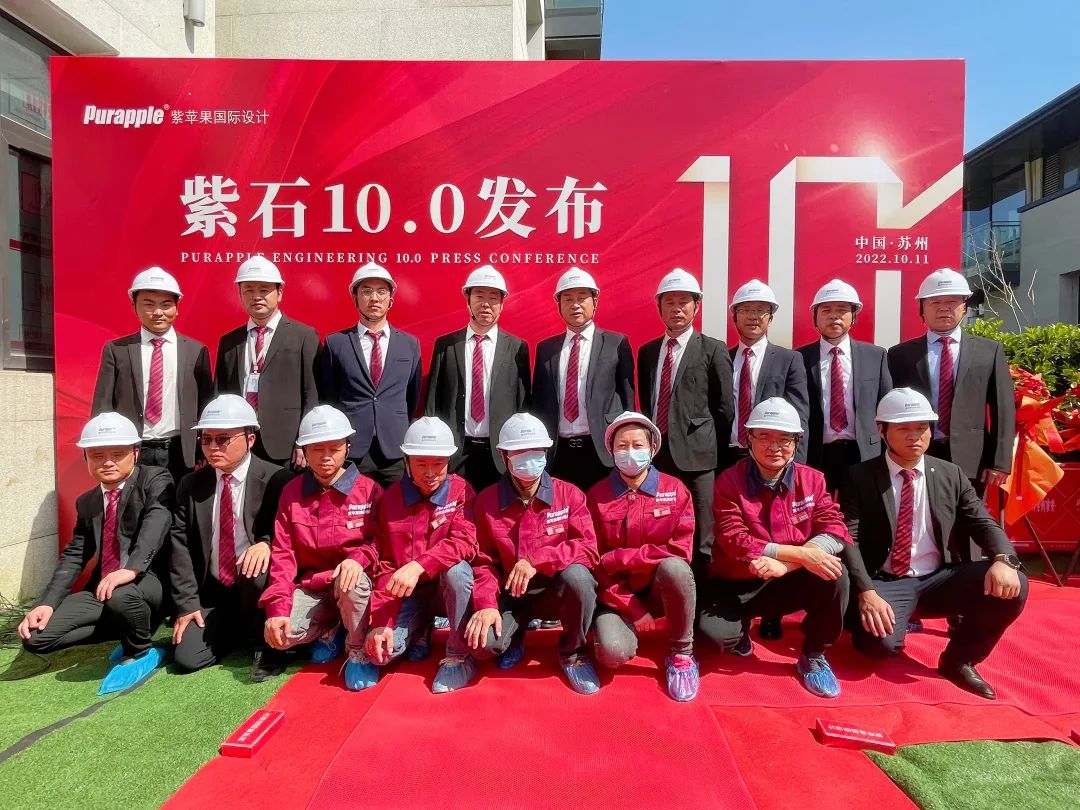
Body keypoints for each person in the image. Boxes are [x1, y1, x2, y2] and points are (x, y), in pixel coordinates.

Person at [840, 388, 1027, 699]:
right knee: (878, 648)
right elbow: (849, 538)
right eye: (903, 428)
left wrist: (1004, 559)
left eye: (922, 427)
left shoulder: (950, 474)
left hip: (940, 579)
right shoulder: (860, 476)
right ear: (882, 430)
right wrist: (866, 592)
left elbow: (982, 522)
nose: (914, 436)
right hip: (886, 582)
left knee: (1014, 584)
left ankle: (959, 661)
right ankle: (863, 621)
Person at [700, 398, 851, 698]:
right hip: (737, 583)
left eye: (784, 439)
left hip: (786, 581)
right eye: (764, 437)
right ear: (749, 439)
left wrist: (788, 564)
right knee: (712, 640)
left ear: (796, 442)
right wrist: (800, 554)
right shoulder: (729, 481)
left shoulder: (813, 480)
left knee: (836, 574)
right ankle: (740, 631)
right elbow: (734, 539)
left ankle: (814, 655)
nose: (775, 446)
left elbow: (835, 529)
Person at [18, 413, 173, 694]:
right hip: (103, 590)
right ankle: (128, 627)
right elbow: (75, 556)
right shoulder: (87, 502)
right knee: (36, 638)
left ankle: (140, 650)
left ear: (136, 452)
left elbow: (156, 523)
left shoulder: (155, 479)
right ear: (86, 458)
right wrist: (46, 604)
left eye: (118, 454)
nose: (108, 462)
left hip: (148, 581)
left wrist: (131, 569)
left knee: (121, 595)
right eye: (98, 455)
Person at [465, 413, 602, 694]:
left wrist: (536, 560)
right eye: (519, 452)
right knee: (483, 646)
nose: (529, 459)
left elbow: (588, 549)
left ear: (546, 452)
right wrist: (486, 604)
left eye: (536, 451)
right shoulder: (487, 501)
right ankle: (516, 637)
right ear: (503, 455)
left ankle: (573, 653)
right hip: (513, 596)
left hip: (555, 594)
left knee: (579, 577)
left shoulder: (569, 495)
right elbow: (483, 562)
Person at [169, 395, 293, 681]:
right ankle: (234, 631)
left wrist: (266, 543)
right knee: (187, 657)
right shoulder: (191, 485)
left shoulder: (277, 479)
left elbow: (290, 534)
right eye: (206, 439)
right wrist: (187, 605)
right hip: (213, 592)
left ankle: (265, 643)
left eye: (223, 439)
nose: (213, 447)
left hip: (257, 588)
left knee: (256, 566)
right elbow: (180, 548)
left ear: (250, 439)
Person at [260, 405, 383, 691]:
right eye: (317, 449)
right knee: (281, 635)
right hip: (313, 587)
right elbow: (283, 554)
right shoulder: (291, 493)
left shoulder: (369, 490)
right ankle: (331, 628)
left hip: (353, 587)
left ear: (348, 447)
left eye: (334, 448)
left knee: (352, 581)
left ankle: (357, 649)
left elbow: (381, 542)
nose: (326, 456)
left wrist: (358, 558)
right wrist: (277, 608)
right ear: (304, 450)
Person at [360, 417, 479, 693]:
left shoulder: (462, 491)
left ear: (448, 461)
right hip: (409, 595)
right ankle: (420, 629)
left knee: (458, 570)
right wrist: (381, 623)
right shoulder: (390, 499)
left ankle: (459, 655)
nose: (430, 473)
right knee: (382, 654)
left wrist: (419, 565)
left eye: (438, 463)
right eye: (421, 464)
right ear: (406, 462)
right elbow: (386, 566)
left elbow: (466, 542)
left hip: (448, 592)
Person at [587, 412, 699, 701]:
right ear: (611, 450)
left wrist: (620, 558)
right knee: (612, 653)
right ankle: (612, 630)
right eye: (622, 446)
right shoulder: (597, 496)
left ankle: (682, 653)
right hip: (617, 597)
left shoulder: (675, 490)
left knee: (676, 568)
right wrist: (633, 607)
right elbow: (595, 563)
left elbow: (680, 551)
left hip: (660, 589)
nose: (630, 453)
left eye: (638, 445)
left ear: (653, 448)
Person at [887, 269, 1014, 503]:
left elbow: (1003, 410)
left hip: (972, 458)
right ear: (922, 309)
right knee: (918, 516)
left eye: (952, 302)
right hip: (916, 454)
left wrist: (999, 461)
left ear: (965, 306)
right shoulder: (900, 355)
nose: (944, 308)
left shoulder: (989, 351)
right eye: (935, 302)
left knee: (966, 520)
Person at [637, 268, 734, 578]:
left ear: (696, 306)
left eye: (684, 302)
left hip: (699, 458)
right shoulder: (648, 352)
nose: (676, 309)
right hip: (657, 456)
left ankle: (703, 592)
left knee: (703, 531)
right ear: (659, 307)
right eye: (669, 302)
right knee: (661, 524)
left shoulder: (712, 349)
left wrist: (708, 443)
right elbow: (647, 401)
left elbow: (724, 408)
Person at [92, 267, 213, 484]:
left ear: (177, 308)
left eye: (166, 305)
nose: (158, 312)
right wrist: (102, 450)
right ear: (134, 306)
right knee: (133, 503)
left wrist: (203, 450)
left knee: (179, 503)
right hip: (132, 450)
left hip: (180, 451)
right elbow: (103, 406)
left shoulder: (195, 351)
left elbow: (205, 405)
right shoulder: (117, 350)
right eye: (148, 304)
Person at [425, 265, 531, 491]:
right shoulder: (446, 346)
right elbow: (432, 402)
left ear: (502, 304)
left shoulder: (516, 348)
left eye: (493, 298)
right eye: (479, 296)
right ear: (468, 300)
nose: (486, 304)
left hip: (499, 454)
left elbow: (523, 406)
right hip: (456, 451)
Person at [318, 261, 422, 487]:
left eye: (381, 291)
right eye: (366, 291)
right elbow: (328, 396)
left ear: (391, 299)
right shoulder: (336, 344)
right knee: (349, 506)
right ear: (355, 298)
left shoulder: (409, 345)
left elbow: (412, 396)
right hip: (352, 448)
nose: (374, 298)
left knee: (397, 506)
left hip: (395, 449)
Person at [532, 267, 635, 493]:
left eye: (582, 298)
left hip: (602, 451)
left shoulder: (616, 343)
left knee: (606, 510)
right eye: (568, 299)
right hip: (559, 453)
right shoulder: (546, 349)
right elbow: (538, 402)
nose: (575, 305)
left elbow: (628, 402)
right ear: (559, 305)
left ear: (595, 301)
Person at [214, 256, 320, 469]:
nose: (256, 297)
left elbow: (313, 395)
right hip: (239, 442)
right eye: (249, 290)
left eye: (264, 290)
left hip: (286, 445)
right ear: (240, 294)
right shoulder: (230, 341)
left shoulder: (304, 336)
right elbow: (221, 394)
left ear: (279, 293)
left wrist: (305, 440)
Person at [797, 279, 892, 494]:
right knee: (816, 510)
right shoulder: (798, 358)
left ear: (853, 316)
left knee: (863, 511)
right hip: (816, 453)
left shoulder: (875, 356)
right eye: (826, 310)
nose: (834, 316)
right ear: (815, 317)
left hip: (863, 453)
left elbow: (886, 408)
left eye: (842, 310)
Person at [727, 279, 809, 466]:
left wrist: (796, 463)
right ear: (734, 317)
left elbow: (800, 416)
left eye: (760, 310)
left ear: (770, 318)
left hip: (771, 456)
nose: (753, 316)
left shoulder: (788, 360)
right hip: (727, 455)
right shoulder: (722, 358)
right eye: (745, 310)